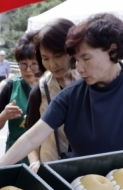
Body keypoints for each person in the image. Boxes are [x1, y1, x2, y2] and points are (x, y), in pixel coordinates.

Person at [0, 13, 123, 171]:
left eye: (86, 58)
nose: (79, 69)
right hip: (82, 182)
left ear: (112, 49)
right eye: (76, 60)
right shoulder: (70, 95)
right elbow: (32, 138)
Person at [26, 19, 80, 163]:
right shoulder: (40, 92)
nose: (52, 64)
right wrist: (35, 163)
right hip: (51, 165)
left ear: (72, 49)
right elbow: (30, 136)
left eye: (58, 56)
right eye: (45, 58)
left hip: (87, 165)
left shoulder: (89, 82)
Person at [0, 31, 41, 161]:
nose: (28, 69)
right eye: (23, 64)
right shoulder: (11, 86)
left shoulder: (52, 87)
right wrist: (4, 115)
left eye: (33, 64)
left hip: (44, 159)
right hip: (16, 159)